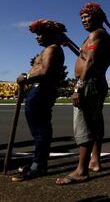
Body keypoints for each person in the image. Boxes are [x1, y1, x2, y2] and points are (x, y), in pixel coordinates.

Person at [56, 2, 110, 185]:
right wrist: (69, 44)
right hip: (94, 82)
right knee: (95, 122)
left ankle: (81, 170)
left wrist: (77, 87)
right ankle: (94, 161)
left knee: (84, 124)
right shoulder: (94, 36)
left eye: (87, 17)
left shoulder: (97, 34)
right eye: (81, 18)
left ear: (97, 17)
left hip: (89, 83)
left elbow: (89, 62)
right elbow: (84, 57)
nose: (83, 20)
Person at [12, 19, 65, 182]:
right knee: (39, 131)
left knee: (40, 130)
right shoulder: (48, 50)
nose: (37, 37)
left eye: (40, 34)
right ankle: (38, 161)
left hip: (41, 90)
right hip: (39, 90)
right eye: (36, 34)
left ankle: (38, 166)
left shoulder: (52, 49)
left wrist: (27, 77)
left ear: (50, 35)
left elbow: (46, 71)